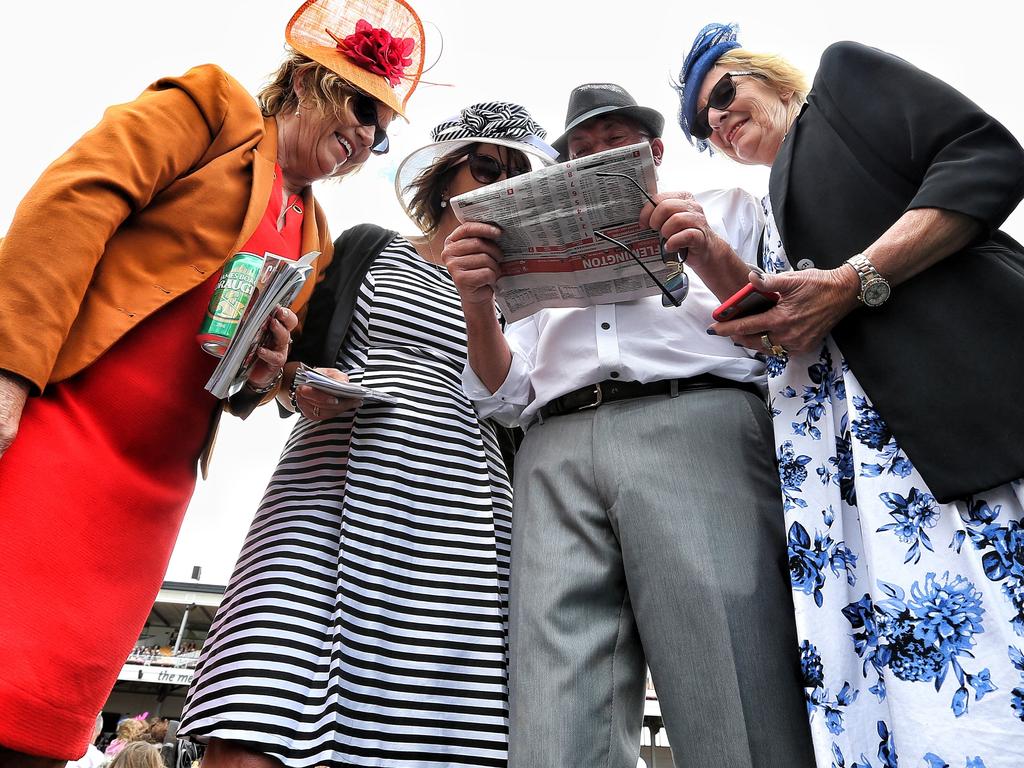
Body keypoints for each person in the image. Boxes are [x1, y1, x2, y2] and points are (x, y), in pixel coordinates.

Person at [0, 0, 424, 763]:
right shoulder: (210, 110)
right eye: (362, 105)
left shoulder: (316, 234)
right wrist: (9, 370)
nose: (367, 134)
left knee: (47, 718)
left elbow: (240, 386)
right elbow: (73, 201)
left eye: (382, 130)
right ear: (303, 81)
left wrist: (267, 374)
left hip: (152, 486)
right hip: (63, 425)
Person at [673, 22, 1024, 767]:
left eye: (724, 93)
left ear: (768, 76)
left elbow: (986, 157)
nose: (717, 120)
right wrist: (709, 255)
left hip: (954, 432)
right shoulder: (764, 204)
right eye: (702, 125)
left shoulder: (842, 83)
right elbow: (800, 323)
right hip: (858, 488)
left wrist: (852, 280)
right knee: (922, 696)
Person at [444, 84, 815, 767]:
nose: (595, 156)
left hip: (695, 421)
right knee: (554, 694)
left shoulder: (731, 206)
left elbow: (785, 335)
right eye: (579, 150)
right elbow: (504, 392)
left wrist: (702, 250)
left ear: (654, 150)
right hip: (553, 445)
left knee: (727, 670)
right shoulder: (527, 254)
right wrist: (476, 299)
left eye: (614, 143)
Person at [177, 102, 555, 768]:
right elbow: (279, 364)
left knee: (431, 723)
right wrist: (298, 384)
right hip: (330, 490)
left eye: (517, 177)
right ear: (443, 179)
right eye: (486, 167)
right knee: (255, 708)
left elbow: (518, 404)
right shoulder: (365, 248)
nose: (500, 184)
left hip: (459, 515)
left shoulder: (524, 297)